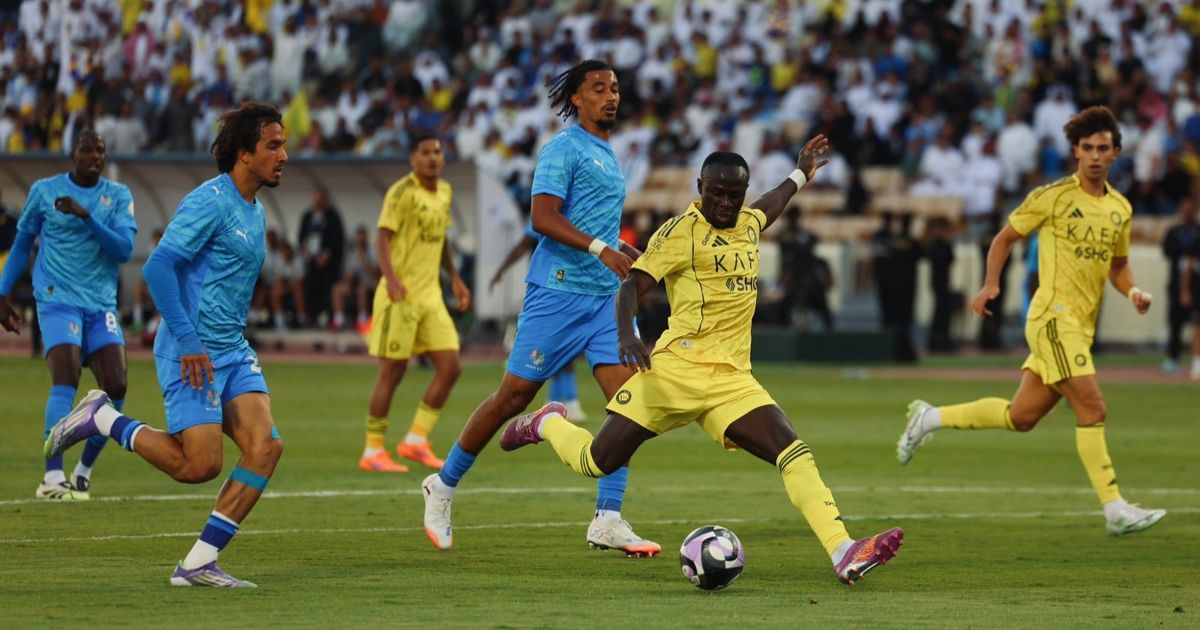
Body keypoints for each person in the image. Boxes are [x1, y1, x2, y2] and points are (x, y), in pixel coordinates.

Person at [500, 140, 905, 585]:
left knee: (793, 451)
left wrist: (800, 175)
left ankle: (843, 550)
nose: (727, 202)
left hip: (732, 381)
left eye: (736, 194)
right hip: (673, 373)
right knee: (597, 460)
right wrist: (626, 336)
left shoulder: (748, 223)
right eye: (717, 193)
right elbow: (632, 286)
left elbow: (771, 204)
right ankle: (547, 423)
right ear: (700, 187)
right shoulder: (679, 233)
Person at [44, 101, 289, 587]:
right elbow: (158, 267)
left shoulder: (255, 211)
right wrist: (191, 339)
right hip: (189, 350)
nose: (284, 155)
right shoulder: (210, 201)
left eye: (283, 145)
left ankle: (198, 564)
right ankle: (103, 419)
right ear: (244, 153)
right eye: (273, 145)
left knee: (266, 447)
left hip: (231, 349)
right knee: (199, 465)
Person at [421, 60, 659, 556]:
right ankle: (441, 486)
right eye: (599, 88)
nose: (611, 96)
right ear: (577, 98)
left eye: (615, 88)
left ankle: (608, 518)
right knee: (511, 398)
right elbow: (543, 217)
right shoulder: (562, 148)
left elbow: (593, 224)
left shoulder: (608, 153)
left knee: (631, 404)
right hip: (558, 292)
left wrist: (627, 252)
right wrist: (603, 249)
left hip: (605, 301)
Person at [897, 106, 1167, 537]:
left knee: (1021, 416)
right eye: (1087, 148)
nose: (1095, 156)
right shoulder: (1053, 196)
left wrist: (1132, 290)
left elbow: (1118, 266)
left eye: (1103, 148)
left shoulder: (1120, 208)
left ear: (1116, 152)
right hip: (1052, 319)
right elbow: (1005, 238)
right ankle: (1115, 508)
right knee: (1093, 407)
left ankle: (928, 418)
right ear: (1075, 152)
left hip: (1080, 328)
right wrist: (990, 284)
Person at [0, 130, 135, 501]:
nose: (94, 156)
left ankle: (82, 471)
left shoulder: (118, 196)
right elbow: (22, 244)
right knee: (67, 374)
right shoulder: (44, 191)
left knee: (117, 387)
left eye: (100, 150)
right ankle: (52, 477)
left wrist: (87, 216)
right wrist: (2, 293)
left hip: (100, 304)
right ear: (72, 154)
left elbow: (124, 250)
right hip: (57, 299)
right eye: (86, 150)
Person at [360, 132, 471, 473]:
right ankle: (373, 450)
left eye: (437, 152)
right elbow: (382, 237)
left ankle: (415, 441)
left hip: (431, 296)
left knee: (451, 366)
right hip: (401, 296)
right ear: (413, 159)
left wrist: (455, 277)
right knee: (393, 371)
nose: (433, 158)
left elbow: (442, 239)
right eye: (426, 152)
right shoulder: (402, 192)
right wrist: (391, 278)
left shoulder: (445, 191)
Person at [489, 220, 587, 420]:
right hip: (563, 286)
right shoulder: (569, 215)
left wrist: (501, 270)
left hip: (553, 287)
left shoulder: (548, 213)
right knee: (558, 348)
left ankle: (564, 401)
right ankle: (562, 401)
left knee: (554, 347)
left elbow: (524, 243)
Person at [1161, 197, 1200, 377]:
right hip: (1176, 284)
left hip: (1196, 285)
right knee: (1175, 323)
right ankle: (1173, 358)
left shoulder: (1197, 232)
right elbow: (1169, 252)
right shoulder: (1174, 232)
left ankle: (1196, 361)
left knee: (1197, 325)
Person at [297, 186, 344, 328]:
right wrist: (305, 249)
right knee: (311, 288)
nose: (318, 201)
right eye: (316, 198)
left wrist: (326, 255)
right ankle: (311, 316)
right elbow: (301, 236)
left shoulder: (332, 216)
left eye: (321, 198)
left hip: (328, 262)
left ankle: (328, 316)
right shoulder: (308, 216)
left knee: (327, 289)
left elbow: (337, 239)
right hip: (312, 259)